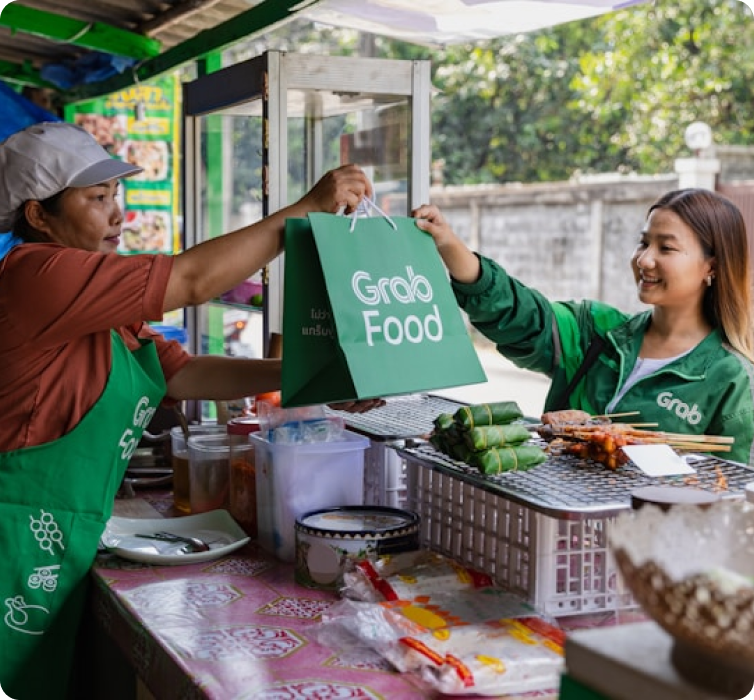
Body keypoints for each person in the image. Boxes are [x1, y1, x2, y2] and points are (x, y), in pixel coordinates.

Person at [0, 121, 379, 699]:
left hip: (61, 535)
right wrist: (302, 213)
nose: (117, 215)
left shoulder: (98, 298)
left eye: (116, 197)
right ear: (37, 215)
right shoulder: (34, 275)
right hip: (14, 537)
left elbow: (185, 373)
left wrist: (315, 378)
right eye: (97, 199)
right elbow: (195, 279)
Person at [412, 188, 754, 466]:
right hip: (557, 534)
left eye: (666, 248)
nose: (645, 259)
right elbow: (522, 317)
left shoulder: (732, 379)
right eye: (643, 243)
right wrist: (448, 244)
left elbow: (735, 494)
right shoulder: (596, 329)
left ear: (712, 266)